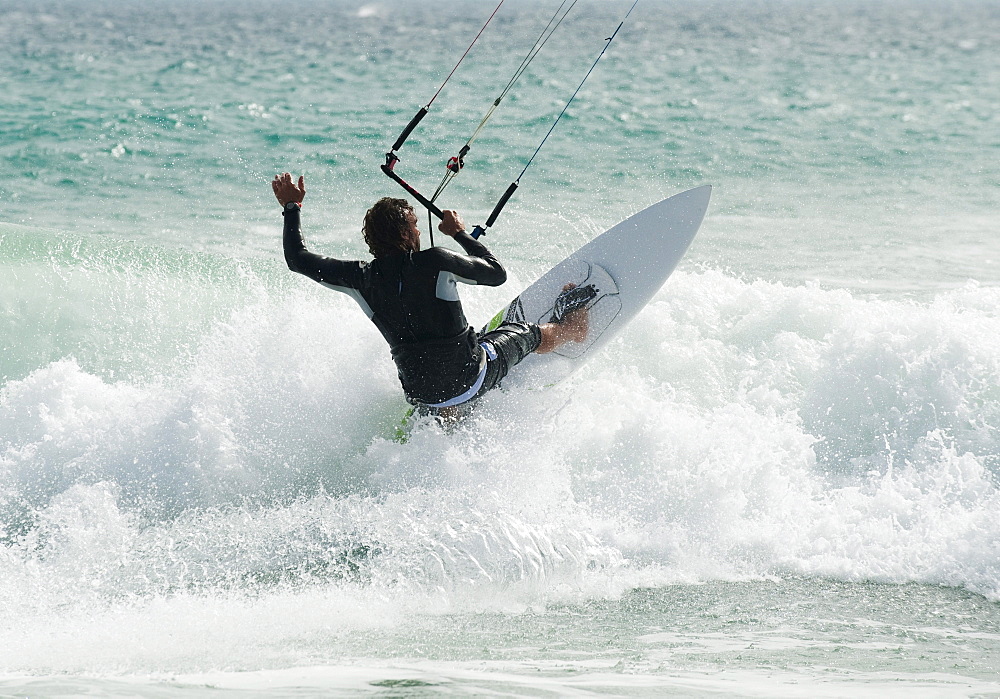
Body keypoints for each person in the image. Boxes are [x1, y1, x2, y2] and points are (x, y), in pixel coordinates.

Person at [272, 172, 589, 418]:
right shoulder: (435, 260)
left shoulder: (359, 277)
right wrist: (459, 233)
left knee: (439, 371)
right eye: (414, 225)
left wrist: (292, 208)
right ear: (405, 232)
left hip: (421, 395)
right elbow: (496, 273)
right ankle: (573, 330)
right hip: (469, 377)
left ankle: (449, 413)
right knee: (525, 334)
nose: (420, 231)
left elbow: (297, 259)